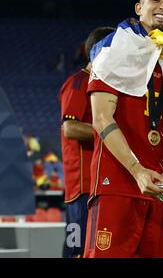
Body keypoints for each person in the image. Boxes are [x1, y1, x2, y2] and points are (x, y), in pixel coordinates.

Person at [83, 0, 163, 258]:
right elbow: (101, 118)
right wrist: (137, 170)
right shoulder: (113, 50)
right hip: (118, 186)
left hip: (161, 187)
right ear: (139, 7)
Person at [59, 26, 115, 258]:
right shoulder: (79, 82)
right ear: (99, 51)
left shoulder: (105, 87)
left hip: (101, 184)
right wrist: (111, 133)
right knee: (79, 249)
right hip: (83, 186)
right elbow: (69, 127)